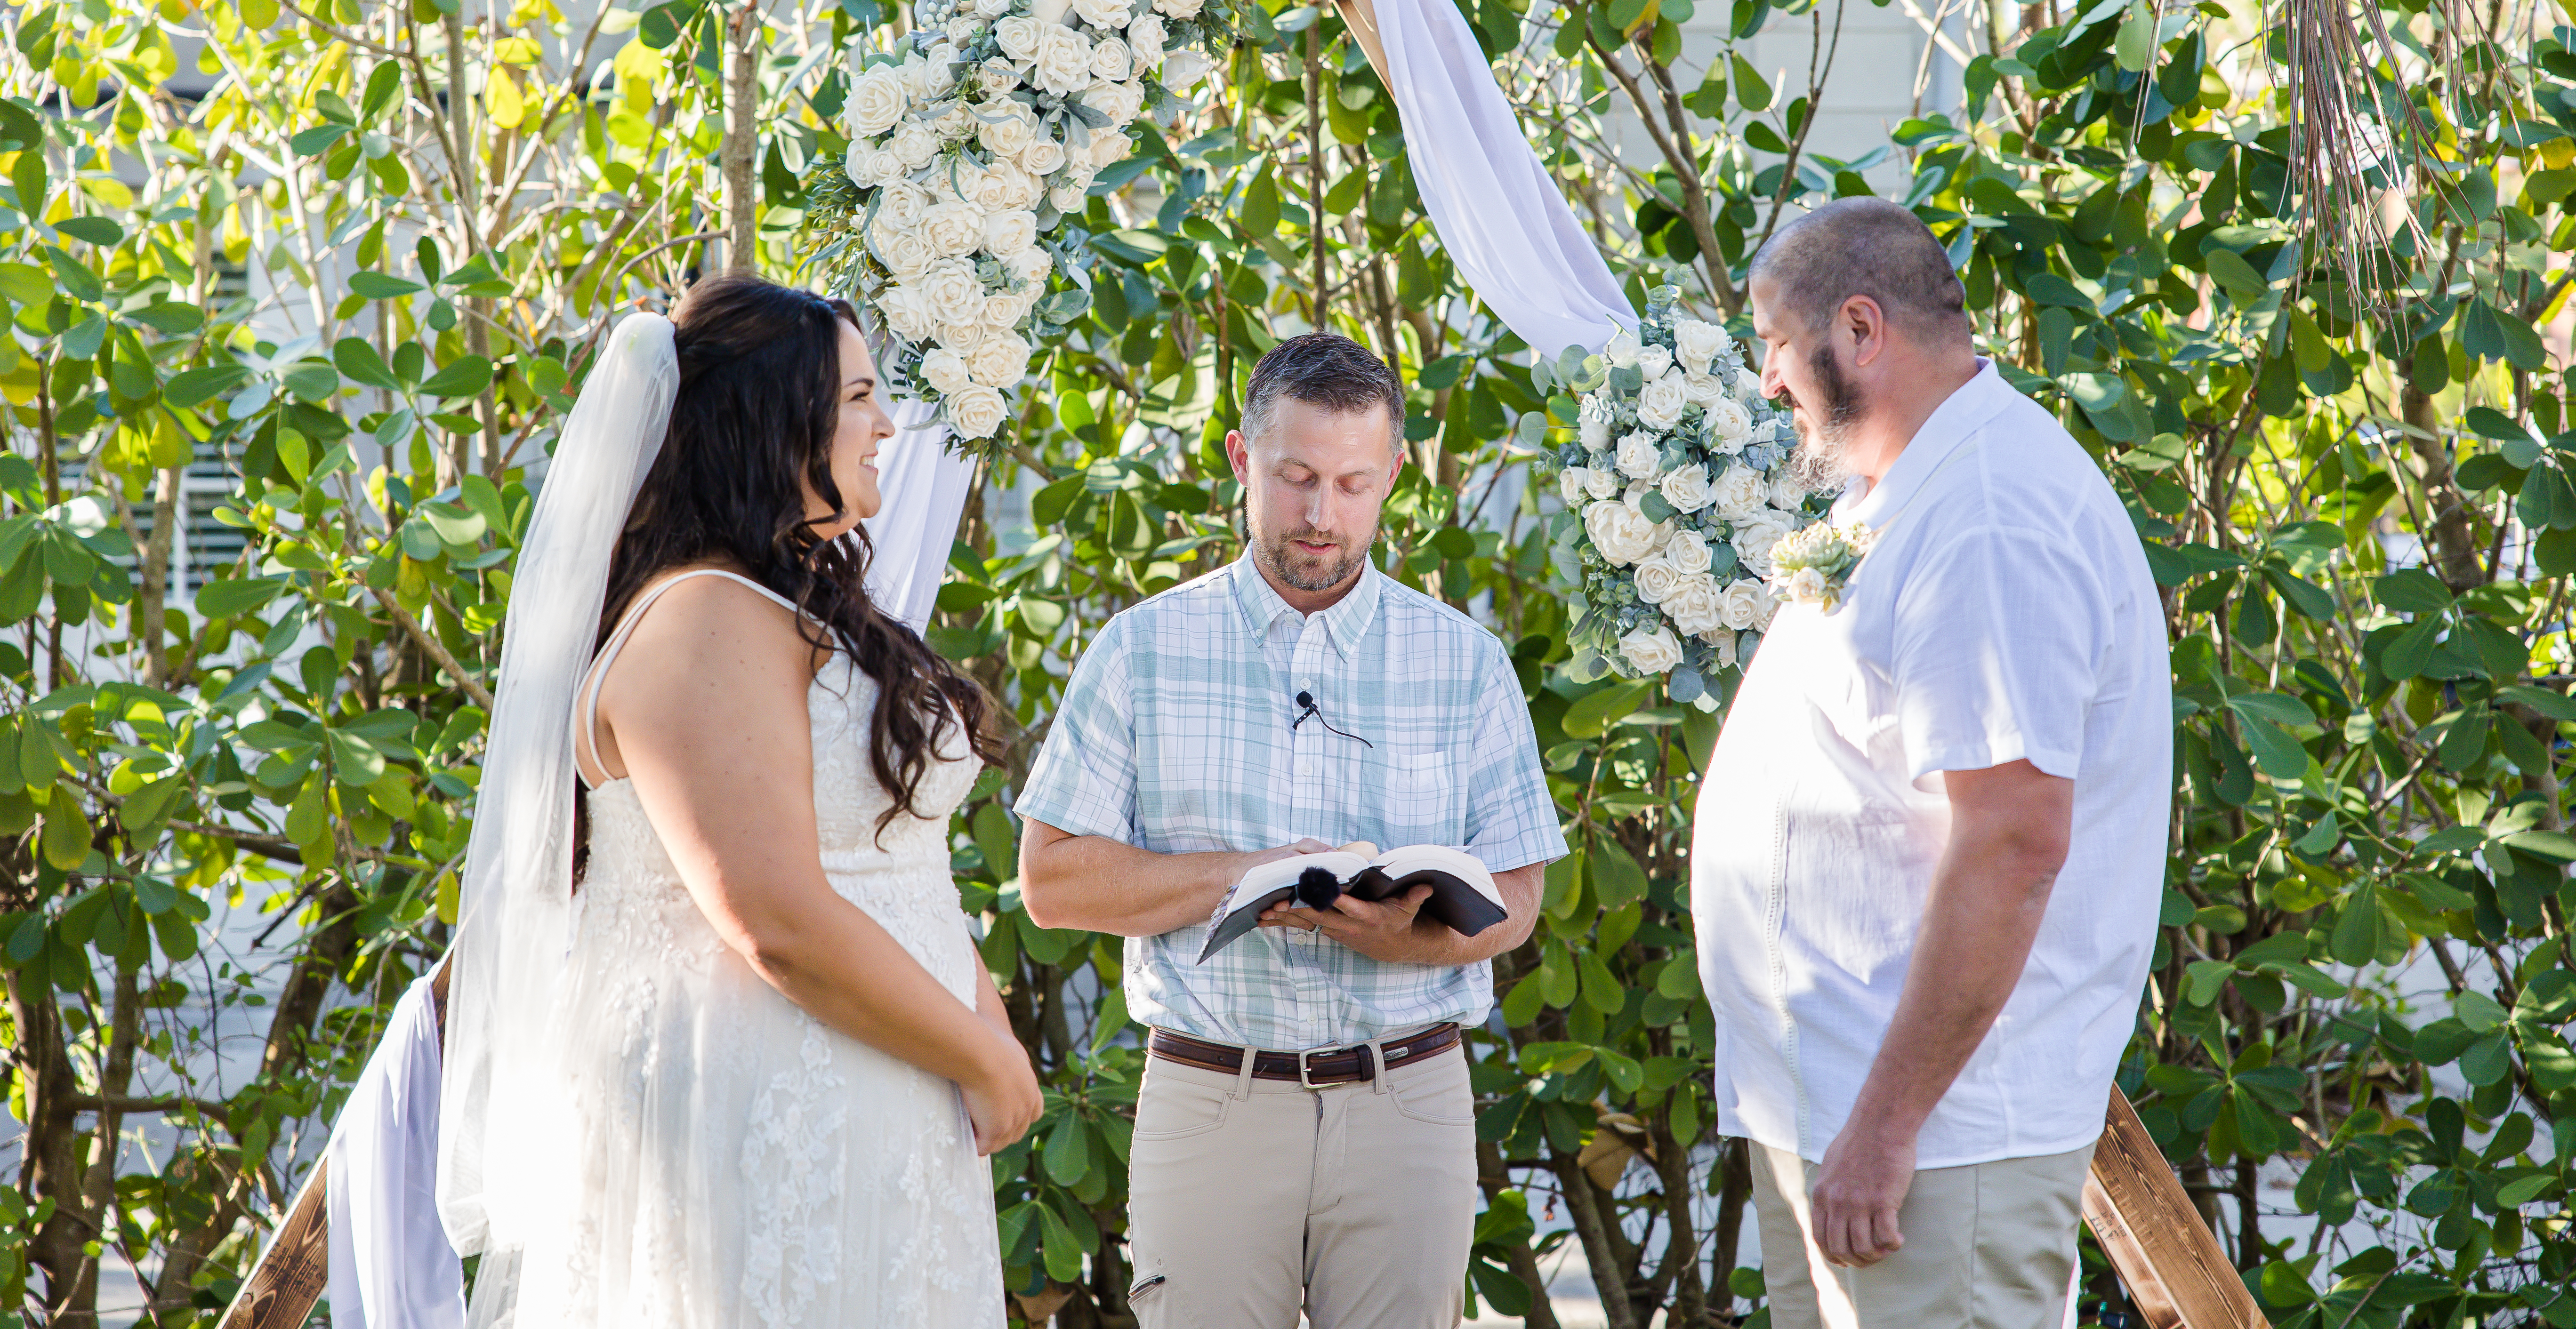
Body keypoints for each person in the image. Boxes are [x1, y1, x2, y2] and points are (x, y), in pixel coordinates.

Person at [438, 276, 1039, 1329]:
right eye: (857, 397)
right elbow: (773, 917)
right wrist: (985, 1055)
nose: (887, 422)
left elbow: (889, 859)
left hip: (876, 1077)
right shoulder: (703, 621)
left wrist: (976, 1024)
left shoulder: (784, 603)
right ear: (771, 418)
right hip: (773, 1095)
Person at [1014, 333, 1566, 1329]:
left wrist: (1421, 939)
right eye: (1295, 477)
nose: (1322, 515)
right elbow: (1052, 883)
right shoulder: (1142, 648)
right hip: (1211, 1095)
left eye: (1354, 484)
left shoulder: (1466, 662)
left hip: (1410, 1097)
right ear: (1239, 458)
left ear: (1395, 474)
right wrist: (1257, 874)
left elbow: (1522, 900)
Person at [1690, 199, 2168, 1329]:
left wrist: (1886, 1128)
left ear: (1859, 330)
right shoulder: (1910, 488)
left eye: (1772, 341)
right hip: (1836, 1114)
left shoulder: (1990, 519)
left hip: (1928, 1151)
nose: (1765, 380)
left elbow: (2013, 844)